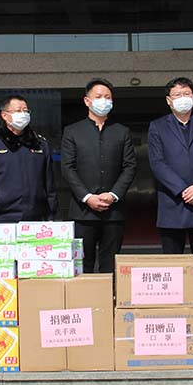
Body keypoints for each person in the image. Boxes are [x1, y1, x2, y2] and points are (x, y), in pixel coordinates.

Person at [61, 78, 137, 273]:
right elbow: (68, 168)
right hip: (83, 211)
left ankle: (108, 292)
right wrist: (87, 197)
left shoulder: (121, 131)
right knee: (82, 264)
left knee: (110, 264)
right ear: (87, 101)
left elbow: (129, 167)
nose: (104, 101)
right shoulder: (72, 131)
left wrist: (113, 195)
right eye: (99, 96)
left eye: (108, 97)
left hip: (114, 211)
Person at [148, 77, 193, 268]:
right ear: (168, 100)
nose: (183, 98)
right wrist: (183, 189)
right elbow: (157, 163)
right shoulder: (157, 126)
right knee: (172, 264)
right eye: (177, 95)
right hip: (172, 204)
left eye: (186, 94)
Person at [0, 94, 57, 223]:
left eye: (25, 111)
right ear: (4, 115)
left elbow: (49, 185)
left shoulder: (40, 144)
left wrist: (51, 216)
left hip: (36, 219)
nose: (23, 114)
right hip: (2, 220)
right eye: (18, 111)